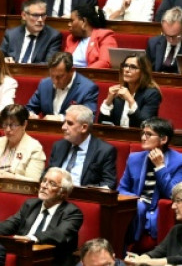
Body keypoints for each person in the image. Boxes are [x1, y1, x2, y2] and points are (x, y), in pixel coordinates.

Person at [0, 168, 83, 266]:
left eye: (52, 183)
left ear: (63, 193)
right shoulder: (31, 204)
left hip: (51, 262)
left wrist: (31, 238)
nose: (44, 186)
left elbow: (59, 234)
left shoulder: (72, 212)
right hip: (23, 257)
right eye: (44, 181)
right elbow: (11, 224)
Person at [118, 117, 182, 249]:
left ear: (163, 139)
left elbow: (173, 194)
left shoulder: (179, 162)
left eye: (149, 134)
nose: (143, 137)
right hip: (136, 208)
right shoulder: (134, 158)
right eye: (143, 133)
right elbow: (122, 189)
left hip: (160, 210)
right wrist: (137, 201)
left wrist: (160, 167)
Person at [48, 105, 118, 188]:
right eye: (64, 122)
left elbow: (109, 183)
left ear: (84, 128)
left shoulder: (104, 151)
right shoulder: (59, 146)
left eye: (70, 123)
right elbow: (47, 174)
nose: (63, 127)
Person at [0, 104, 46, 181]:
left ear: (24, 124)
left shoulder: (35, 148)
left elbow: (34, 181)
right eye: (5, 124)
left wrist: (11, 177)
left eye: (12, 125)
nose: (7, 129)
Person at [26, 51, 100, 119]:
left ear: (72, 70)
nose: (55, 81)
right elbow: (29, 108)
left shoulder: (88, 88)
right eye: (52, 76)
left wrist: (60, 118)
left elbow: (89, 118)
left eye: (60, 76)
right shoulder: (45, 84)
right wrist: (30, 114)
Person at [124, 182, 182, 265]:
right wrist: (141, 258)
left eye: (178, 201)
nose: (173, 206)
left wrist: (148, 262)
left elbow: (179, 259)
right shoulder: (176, 230)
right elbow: (157, 252)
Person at [99, 53, 162, 128]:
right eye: (125, 66)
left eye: (133, 67)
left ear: (143, 72)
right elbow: (101, 124)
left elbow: (144, 125)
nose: (126, 70)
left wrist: (130, 100)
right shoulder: (118, 93)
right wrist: (108, 101)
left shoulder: (152, 94)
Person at [1, 0, 63, 64]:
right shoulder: (11, 34)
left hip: (37, 73)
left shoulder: (53, 36)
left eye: (43, 15)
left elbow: (49, 64)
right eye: (35, 15)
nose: (40, 20)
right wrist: (5, 59)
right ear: (24, 15)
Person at [65, 4, 118, 68]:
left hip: (92, 76)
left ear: (84, 21)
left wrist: (81, 74)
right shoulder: (71, 38)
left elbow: (105, 62)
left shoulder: (105, 36)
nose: (69, 24)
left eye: (71, 21)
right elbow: (65, 62)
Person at [147, 7, 182, 72]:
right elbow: (147, 71)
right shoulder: (153, 43)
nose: (171, 40)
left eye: (174, 36)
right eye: (167, 35)